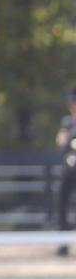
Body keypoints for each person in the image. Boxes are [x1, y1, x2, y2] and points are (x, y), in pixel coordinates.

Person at [55, 90, 76, 256]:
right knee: (62, 202)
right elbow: (60, 140)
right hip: (69, 168)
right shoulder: (67, 121)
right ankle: (63, 243)